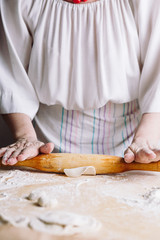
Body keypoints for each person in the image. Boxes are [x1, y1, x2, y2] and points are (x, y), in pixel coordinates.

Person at [0, 0, 160, 166]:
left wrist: (145, 141)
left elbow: (157, 76)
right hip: (45, 148)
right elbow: (10, 74)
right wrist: (26, 137)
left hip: (132, 146)